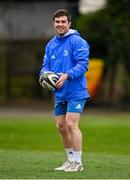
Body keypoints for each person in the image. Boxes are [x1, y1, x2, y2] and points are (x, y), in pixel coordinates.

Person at [39, 9, 90, 172]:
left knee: (70, 123)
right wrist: (44, 77)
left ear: (69, 23)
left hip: (76, 91)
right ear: (54, 23)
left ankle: (78, 163)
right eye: (57, 22)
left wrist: (67, 75)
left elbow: (83, 64)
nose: (60, 25)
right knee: (61, 126)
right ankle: (70, 160)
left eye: (63, 22)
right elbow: (45, 67)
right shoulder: (51, 44)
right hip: (60, 93)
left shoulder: (78, 41)